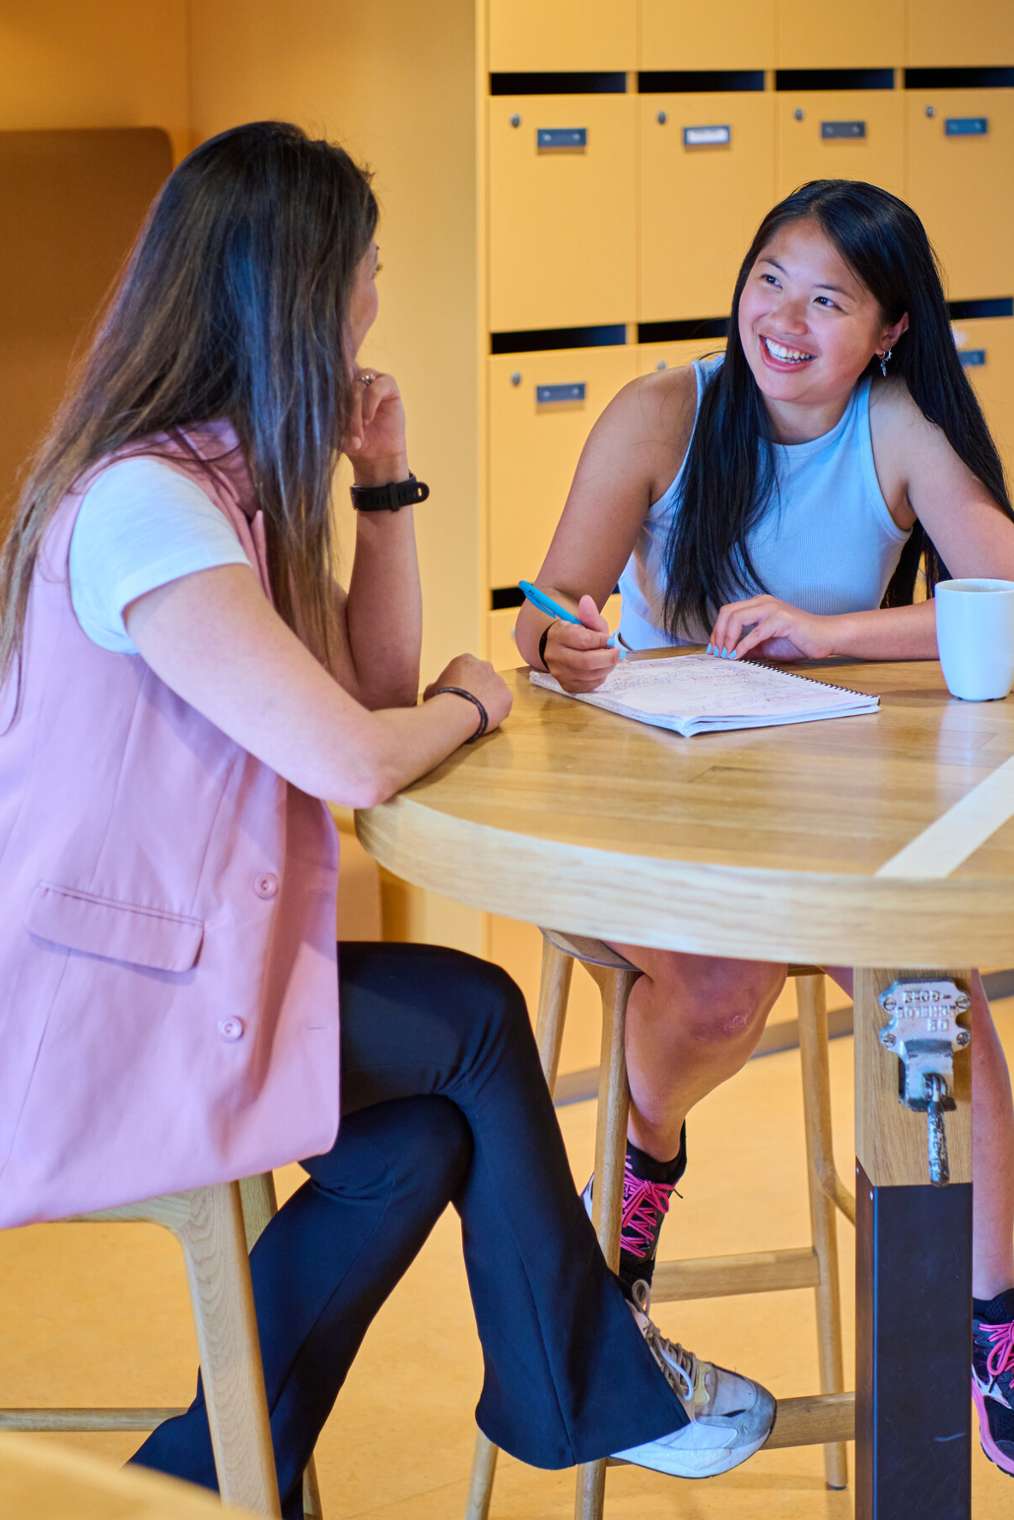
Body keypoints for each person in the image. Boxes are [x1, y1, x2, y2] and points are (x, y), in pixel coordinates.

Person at [0, 122, 777, 1519]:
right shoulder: (146, 509)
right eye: (361, 272)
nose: (374, 298)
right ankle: (575, 1390)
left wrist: (385, 484)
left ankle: (193, 1485)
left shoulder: (214, 484)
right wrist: (476, 702)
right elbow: (363, 752)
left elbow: (361, 689)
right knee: (473, 1016)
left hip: (174, 974)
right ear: (296, 294)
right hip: (98, 1007)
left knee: (415, 1140)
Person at [514, 178, 1014, 1477]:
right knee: (724, 990)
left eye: (828, 299)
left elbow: (1003, 586)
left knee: (936, 1006)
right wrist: (560, 632)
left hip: (828, 812)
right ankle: (632, 1201)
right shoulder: (663, 410)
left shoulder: (894, 425)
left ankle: (997, 1336)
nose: (783, 320)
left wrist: (830, 631)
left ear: (889, 331)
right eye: (768, 281)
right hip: (662, 808)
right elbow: (551, 602)